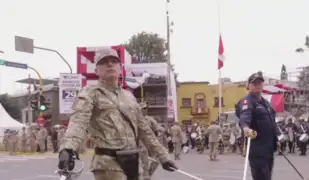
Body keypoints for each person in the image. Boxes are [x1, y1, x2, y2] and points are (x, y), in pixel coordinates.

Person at [57, 48, 176, 180]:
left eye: (114, 61)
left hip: (133, 161)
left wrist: (163, 157)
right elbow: (78, 122)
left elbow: (144, 130)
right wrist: (67, 149)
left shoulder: (129, 96)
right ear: (96, 70)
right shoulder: (90, 93)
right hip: (107, 162)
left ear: (120, 68)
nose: (109, 64)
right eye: (104, 62)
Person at [236, 71, 280, 180]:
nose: (258, 86)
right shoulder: (247, 101)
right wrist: (246, 128)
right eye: (255, 84)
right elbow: (245, 115)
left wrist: (276, 139)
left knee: (268, 176)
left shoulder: (266, 103)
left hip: (268, 148)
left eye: (260, 83)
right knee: (261, 177)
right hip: (257, 149)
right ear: (249, 86)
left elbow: (271, 121)